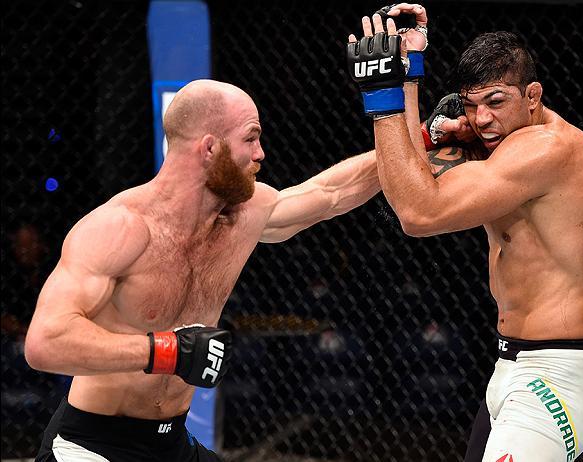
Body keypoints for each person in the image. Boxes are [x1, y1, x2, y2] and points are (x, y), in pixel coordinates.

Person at [26, 79, 386, 461]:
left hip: (170, 443)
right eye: (251, 138)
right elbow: (45, 343)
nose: (261, 153)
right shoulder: (120, 229)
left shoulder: (244, 215)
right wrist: (166, 352)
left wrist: (419, 143)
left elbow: (330, 194)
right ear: (210, 147)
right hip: (92, 446)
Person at [347, 5, 583, 460]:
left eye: (495, 101)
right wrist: (410, 73)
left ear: (533, 95)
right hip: (510, 365)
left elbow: (417, 213)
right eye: (472, 105)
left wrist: (383, 96)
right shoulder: (503, 144)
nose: (483, 119)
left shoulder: (548, 149)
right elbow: (413, 181)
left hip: (557, 374)